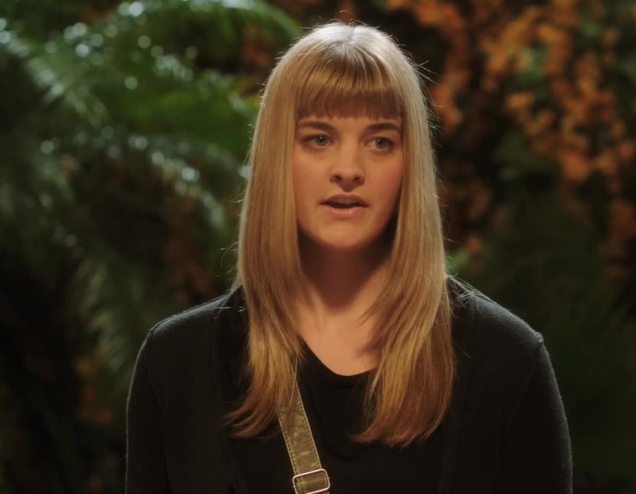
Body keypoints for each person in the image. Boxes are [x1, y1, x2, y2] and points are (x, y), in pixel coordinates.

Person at [125, 22, 572, 494]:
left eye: (380, 141)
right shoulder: (179, 363)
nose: (348, 170)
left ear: (410, 164)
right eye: (319, 138)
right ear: (277, 157)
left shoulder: (505, 361)